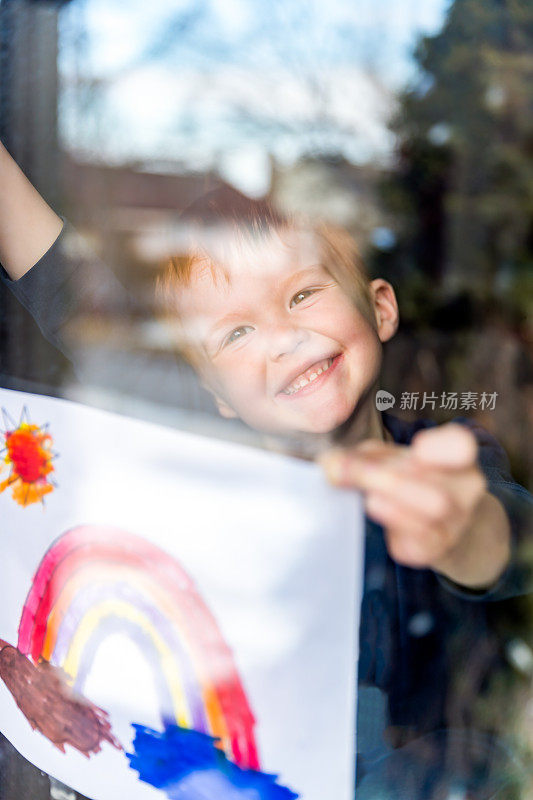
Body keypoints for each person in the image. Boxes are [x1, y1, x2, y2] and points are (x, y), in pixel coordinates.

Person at [1, 140, 532, 798]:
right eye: (236, 333)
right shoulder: (210, 472)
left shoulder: (442, 459)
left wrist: (456, 528)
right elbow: (66, 297)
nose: (281, 335)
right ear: (215, 397)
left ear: (381, 307)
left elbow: (503, 545)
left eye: (303, 294)